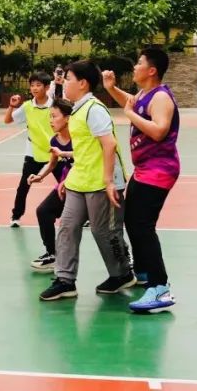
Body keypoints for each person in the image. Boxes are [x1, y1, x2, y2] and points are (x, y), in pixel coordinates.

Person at [40, 60, 134, 301]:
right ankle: (65, 280)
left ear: (82, 84)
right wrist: (67, 178)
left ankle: (122, 273)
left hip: (101, 183)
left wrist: (109, 181)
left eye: (68, 78)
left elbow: (109, 144)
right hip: (79, 181)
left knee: (104, 232)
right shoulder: (77, 109)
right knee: (67, 228)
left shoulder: (94, 109)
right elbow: (84, 149)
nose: (64, 82)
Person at [103, 48, 182, 313]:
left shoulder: (160, 97)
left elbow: (159, 130)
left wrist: (130, 115)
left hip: (160, 170)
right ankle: (146, 273)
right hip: (145, 169)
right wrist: (111, 89)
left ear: (152, 70)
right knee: (133, 221)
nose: (134, 67)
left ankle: (160, 288)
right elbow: (131, 103)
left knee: (142, 225)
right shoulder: (145, 95)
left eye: (139, 63)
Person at [25, 98, 74, 272]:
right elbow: (52, 163)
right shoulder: (55, 140)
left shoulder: (79, 136)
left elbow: (87, 156)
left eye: (54, 116)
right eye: (50, 117)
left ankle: (122, 262)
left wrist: (66, 154)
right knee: (43, 211)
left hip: (84, 184)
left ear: (67, 118)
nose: (51, 121)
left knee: (103, 228)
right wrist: (39, 176)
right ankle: (52, 253)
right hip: (65, 185)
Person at [4, 72, 54, 227]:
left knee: (69, 184)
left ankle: (83, 215)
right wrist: (12, 106)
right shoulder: (27, 106)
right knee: (23, 186)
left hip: (55, 152)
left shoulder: (55, 105)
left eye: (38, 85)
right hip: (33, 151)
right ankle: (16, 216)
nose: (34, 88)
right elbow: (7, 120)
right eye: (32, 85)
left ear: (46, 87)